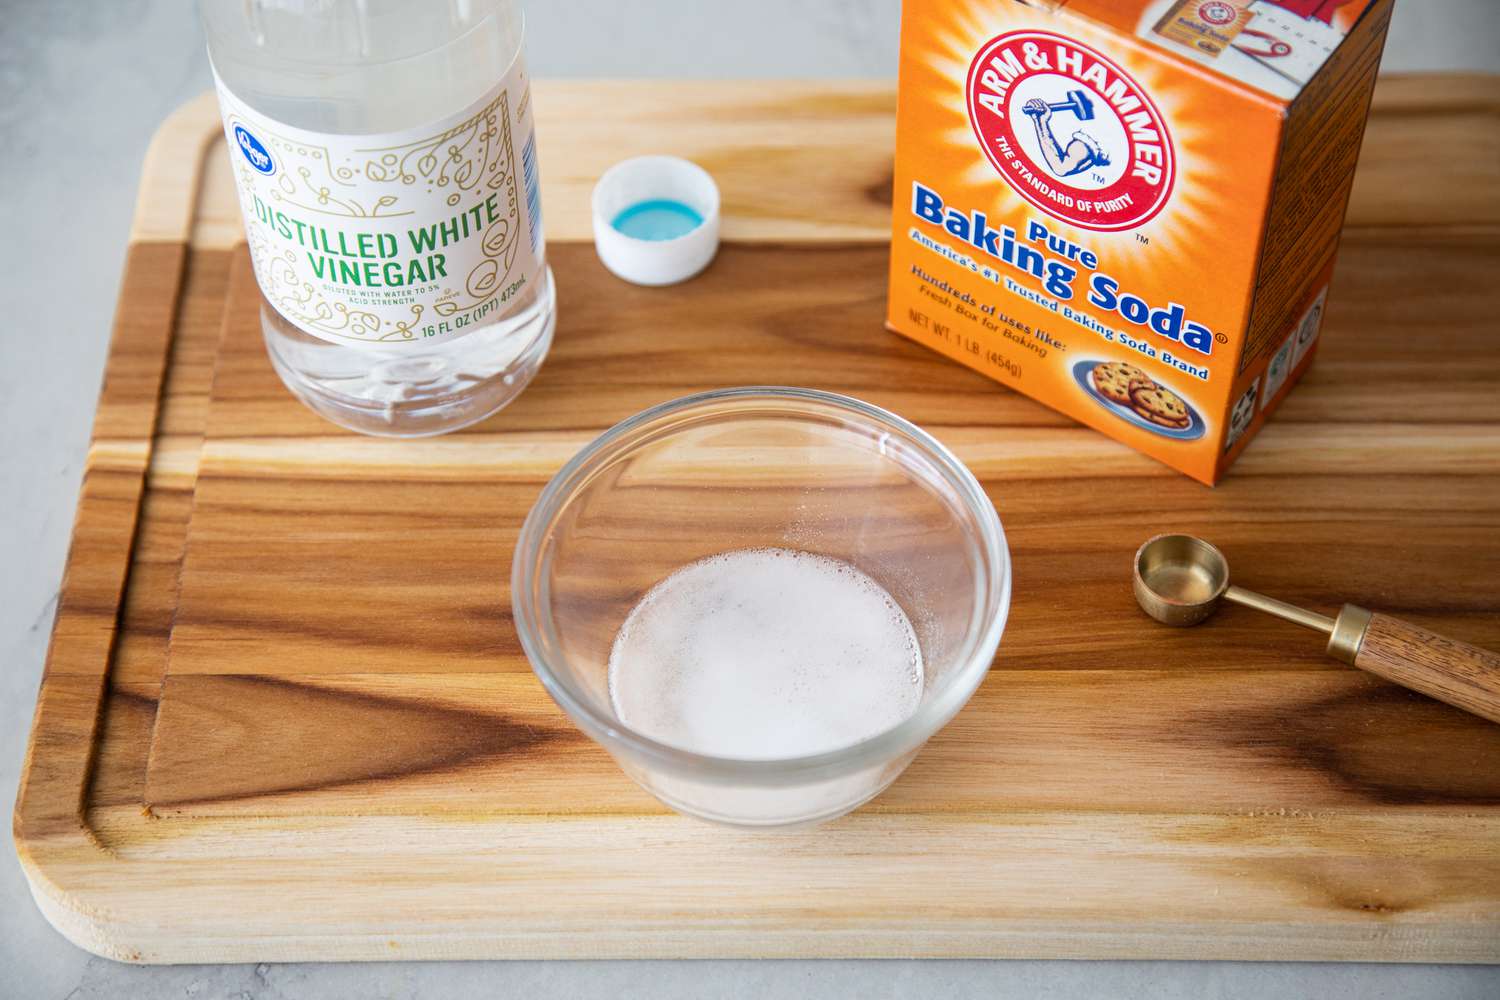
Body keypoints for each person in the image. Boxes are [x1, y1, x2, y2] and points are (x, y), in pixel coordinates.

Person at [1022, 98, 1110, 178]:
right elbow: (1061, 167)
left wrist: (1041, 122)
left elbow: (1061, 167)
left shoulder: (1097, 141)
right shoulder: (1091, 135)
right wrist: (1040, 121)